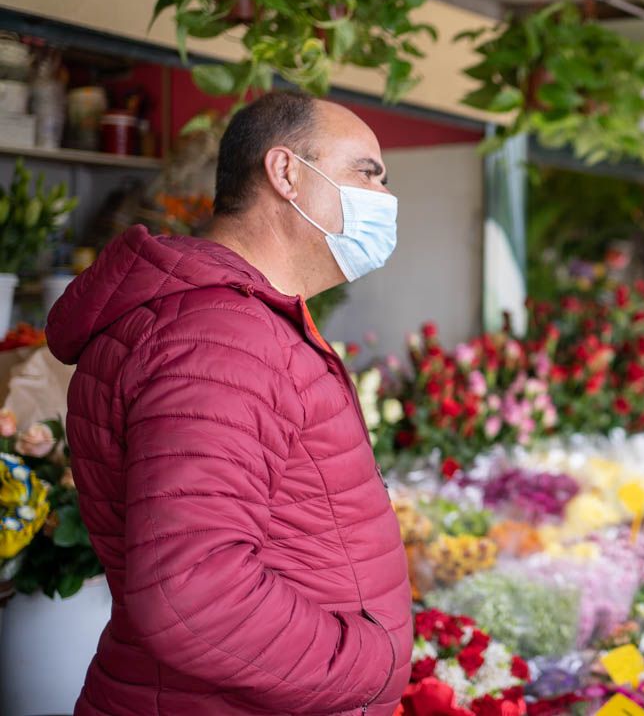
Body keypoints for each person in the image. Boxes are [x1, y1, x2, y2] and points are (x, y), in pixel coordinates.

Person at [47, 91, 412, 715]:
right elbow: (196, 593)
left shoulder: (231, 321)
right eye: (366, 173)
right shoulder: (220, 335)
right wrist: (370, 665)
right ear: (287, 173)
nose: (384, 199)